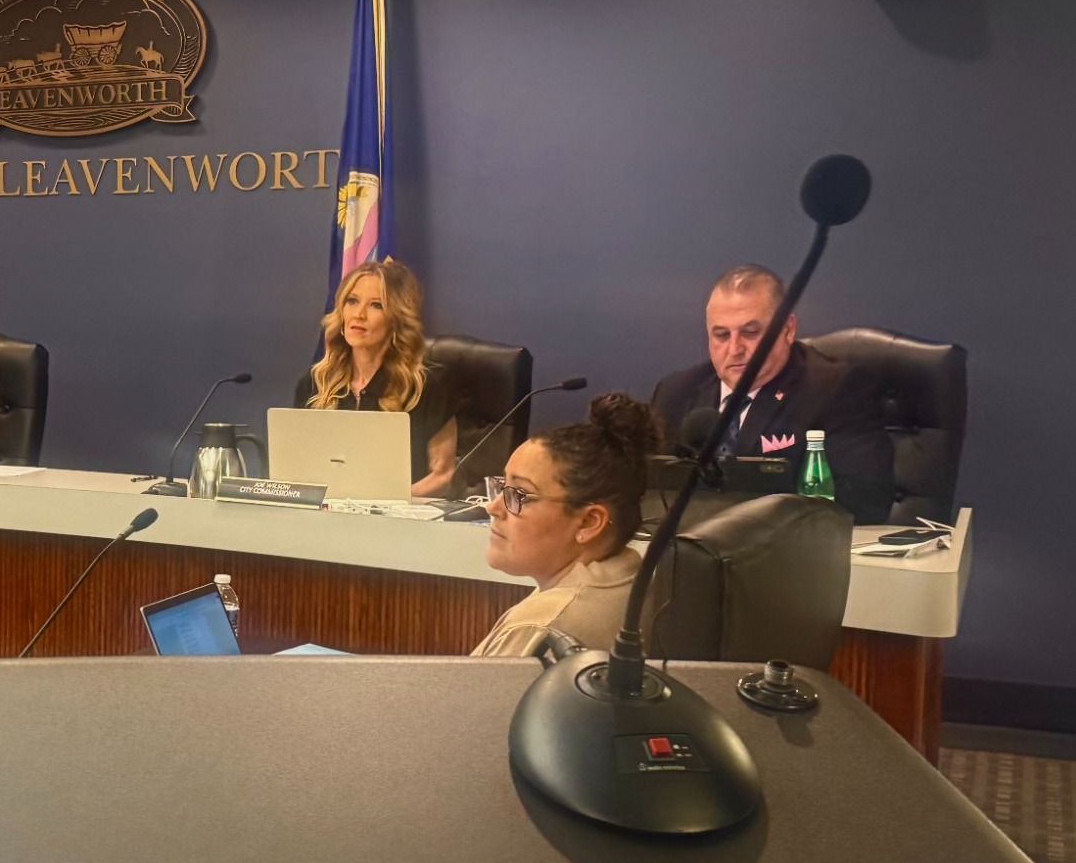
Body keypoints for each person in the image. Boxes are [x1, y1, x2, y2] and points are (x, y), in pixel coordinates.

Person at [649, 264, 894, 524]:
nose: (734, 349)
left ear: (787, 330)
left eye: (750, 333)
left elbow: (866, 501)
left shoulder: (834, 389)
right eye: (721, 335)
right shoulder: (676, 393)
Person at [472, 393, 662, 657]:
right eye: (502, 488)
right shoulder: (634, 579)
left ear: (588, 522)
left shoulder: (538, 628)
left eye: (519, 495)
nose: (493, 507)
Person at [293, 259, 457, 497]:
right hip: (326, 518)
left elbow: (443, 474)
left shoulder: (428, 386)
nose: (359, 315)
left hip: (398, 521)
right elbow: (297, 468)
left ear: (396, 319)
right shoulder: (315, 383)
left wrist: (387, 503)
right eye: (352, 301)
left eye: (376, 306)